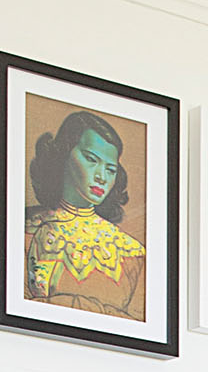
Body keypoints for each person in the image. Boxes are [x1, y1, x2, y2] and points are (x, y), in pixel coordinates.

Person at [24, 109, 146, 319]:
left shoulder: (133, 253)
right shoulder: (23, 232)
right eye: (91, 159)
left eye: (110, 169)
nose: (101, 177)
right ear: (64, 153)